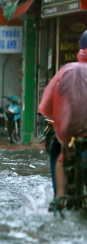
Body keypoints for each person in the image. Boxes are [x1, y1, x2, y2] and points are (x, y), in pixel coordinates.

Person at [38, 30, 87, 204]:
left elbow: (45, 107)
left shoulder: (68, 70)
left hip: (72, 132)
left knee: (59, 153)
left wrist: (59, 122)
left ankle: (59, 198)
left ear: (81, 49)